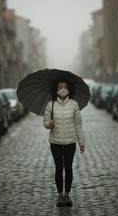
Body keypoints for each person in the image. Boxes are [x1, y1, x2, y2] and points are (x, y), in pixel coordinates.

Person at [43, 78, 85, 206]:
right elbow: (45, 123)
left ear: (68, 89)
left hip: (70, 143)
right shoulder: (51, 104)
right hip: (55, 142)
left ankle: (67, 195)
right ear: (56, 89)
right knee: (58, 168)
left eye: (65, 87)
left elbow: (78, 125)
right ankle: (60, 196)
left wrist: (81, 142)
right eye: (60, 87)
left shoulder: (74, 104)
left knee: (68, 168)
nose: (63, 89)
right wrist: (49, 124)